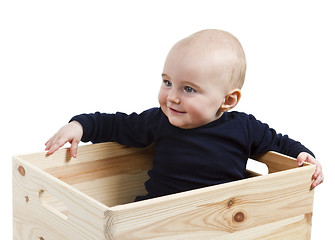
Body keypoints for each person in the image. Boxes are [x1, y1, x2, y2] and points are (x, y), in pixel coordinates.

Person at [45, 29, 323, 201]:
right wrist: (80, 124)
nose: (172, 96)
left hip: (220, 218)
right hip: (156, 216)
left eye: (188, 89)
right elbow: (116, 124)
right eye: (167, 82)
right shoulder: (159, 120)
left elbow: (281, 144)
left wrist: (304, 155)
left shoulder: (245, 128)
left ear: (228, 100)